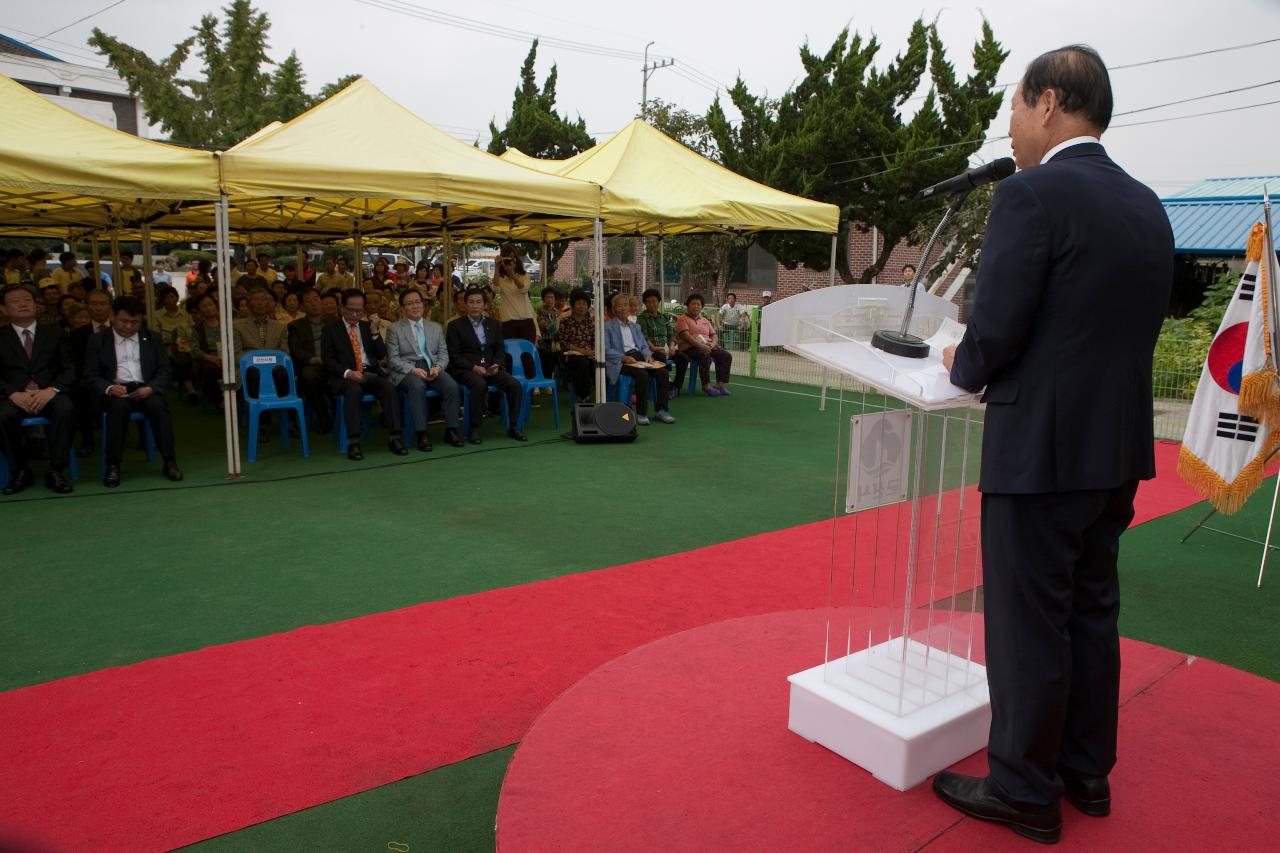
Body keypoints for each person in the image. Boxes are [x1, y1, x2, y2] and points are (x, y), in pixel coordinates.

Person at [933, 46, 1175, 845]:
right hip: (1116, 454)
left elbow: (997, 330)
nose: (1010, 125)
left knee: (1029, 622)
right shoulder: (1147, 206)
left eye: (1013, 107)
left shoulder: (1031, 197)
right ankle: (1085, 771)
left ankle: (1022, 788)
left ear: (1046, 103)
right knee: (1090, 613)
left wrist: (956, 360)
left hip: (1039, 453)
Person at [84, 296, 182, 486]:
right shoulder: (98, 340)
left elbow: (165, 369)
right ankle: (113, 465)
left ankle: (170, 461)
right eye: (124, 321)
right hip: (115, 389)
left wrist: (152, 388)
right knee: (117, 410)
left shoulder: (152, 337)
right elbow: (90, 375)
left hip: (145, 387)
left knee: (158, 408)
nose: (129, 327)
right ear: (113, 316)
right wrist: (109, 388)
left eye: (134, 322)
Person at [0, 284, 76, 495]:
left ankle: (57, 470)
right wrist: (13, 394)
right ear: (4, 310)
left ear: (36, 305)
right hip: (14, 396)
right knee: (2, 416)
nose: (23, 304)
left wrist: (52, 390)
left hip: (49, 393)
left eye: (27, 300)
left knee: (66, 409)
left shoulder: (56, 333)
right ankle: (20, 471)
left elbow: (69, 369)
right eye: (15, 301)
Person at [322, 288, 408, 460]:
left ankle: (395, 437)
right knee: (353, 391)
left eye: (359, 310)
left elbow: (380, 354)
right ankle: (353, 441)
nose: (355, 314)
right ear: (342, 307)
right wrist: (347, 373)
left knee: (389, 387)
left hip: (369, 372)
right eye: (351, 309)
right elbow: (328, 360)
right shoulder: (331, 329)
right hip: (344, 376)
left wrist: (375, 332)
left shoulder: (366, 326)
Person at [445, 287, 526, 444]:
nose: (475, 306)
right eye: (471, 302)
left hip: (491, 368)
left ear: (485, 305)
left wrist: (497, 364)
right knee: (479, 384)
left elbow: (500, 349)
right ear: (465, 305)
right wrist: (474, 367)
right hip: (467, 369)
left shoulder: (494, 324)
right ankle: (474, 429)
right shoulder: (455, 326)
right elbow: (454, 356)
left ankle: (514, 426)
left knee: (515, 385)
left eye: (478, 302)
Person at [387, 289, 464, 450]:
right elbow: (393, 359)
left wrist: (438, 367)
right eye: (409, 303)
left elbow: (443, 353)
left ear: (424, 304)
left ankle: (452, 430)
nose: (415, 306)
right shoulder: (394, 328)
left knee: (451, 386)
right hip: (407, 370)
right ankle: (422, 433)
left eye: (417, 302)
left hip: (431, 367)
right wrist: (412, 370)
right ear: (403, 308)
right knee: (418, 386)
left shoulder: (435, 327)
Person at [605, 293, 673, 425]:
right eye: (619, 306)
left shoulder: (635, 327)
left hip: (638, 358)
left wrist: (648, 355)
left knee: (663, 372)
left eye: (625, 305)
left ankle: (661, 410)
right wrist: (623, 357)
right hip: (620, 361)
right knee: (642, 375)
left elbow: (642, 345)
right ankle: (641, 413)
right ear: (613, 308)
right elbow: (606, 349)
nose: (623, 308)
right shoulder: (607, 327)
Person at [287, 288, 335, 435]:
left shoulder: (335, 321)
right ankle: (324, 420)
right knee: (308, 376)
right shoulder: (296, 326)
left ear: (321, 301)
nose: (313, 303)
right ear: (302, 306)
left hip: (334, 364)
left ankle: (345, 418)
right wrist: (313, 359)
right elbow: (296, 350)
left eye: (316, 299)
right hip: (313, 366)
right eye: (308, 301)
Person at [676, 293, 732, 396]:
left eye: (698, 304)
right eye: (693, 304)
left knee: (726, 356)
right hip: (690, 347)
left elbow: (714, 335)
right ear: (687, 305)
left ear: (702, 307)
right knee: (704, 354)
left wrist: (713, 344)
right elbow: (686, 337)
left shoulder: (705, 320)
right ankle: (706, 386)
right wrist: (702, 346)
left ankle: (720, 385)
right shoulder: (682, 319)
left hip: (707, 345)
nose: (696, 306)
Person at [151, 285, 197, 403]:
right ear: (162, 300)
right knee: (180, 357)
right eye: (167, 297)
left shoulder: (185, 314)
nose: (171, 300)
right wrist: (172, 339)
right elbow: (157, 336)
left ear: (177, 298)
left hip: (187, 345)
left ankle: (183, 385)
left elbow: (193, 330)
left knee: (186, 356)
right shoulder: (157, 315)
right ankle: (191, 390)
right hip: (167, 348)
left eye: (173, 297)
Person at [493, 246, 538, 346]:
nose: (511, 261)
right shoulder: (501, 278)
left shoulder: (524, 275)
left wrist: (512, 274)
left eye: (513, 257)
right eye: (507, 258)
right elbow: (495, 289)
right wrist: (497, 267)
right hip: (508, 322)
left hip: (526, 321)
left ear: (517, 259)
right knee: (510, 356)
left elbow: (523, 289)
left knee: (527, 355)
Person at [557, 288, 595, 402]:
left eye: (584, 304)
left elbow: (594, 340)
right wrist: (583, 351)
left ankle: (599, 395)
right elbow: (564, 343)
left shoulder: (590, 323)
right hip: (570, 355)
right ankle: (584, 396)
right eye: (578, 303)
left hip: (588, 354)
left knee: (598, 364)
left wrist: (593, 352)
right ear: (573, 305)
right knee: (582, 363)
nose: (581, 306)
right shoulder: (565, 321)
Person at [188, 293, 224, 409]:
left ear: (216, 305)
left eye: (210, 304)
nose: (208, 308)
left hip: (229, 357)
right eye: (204, 306)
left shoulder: (228, 324)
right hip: (208, 360)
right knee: (210, 370)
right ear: (199, 311)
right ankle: (219, 401)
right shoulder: (197, 329)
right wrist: (213, 358)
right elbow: (195, 350)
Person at [535, 287, 562, 380]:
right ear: (544, 298)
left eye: (552, 297)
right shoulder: (539, 311)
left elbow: (561, 326)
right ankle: (541, 380)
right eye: (547, 297)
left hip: (555, 342)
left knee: (555, 355)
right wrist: (556, 330)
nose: (550, 299)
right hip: (543, 340)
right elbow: (543, 325)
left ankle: (549, 379)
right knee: (546, 354)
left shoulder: (557, 312)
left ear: (555, 299)